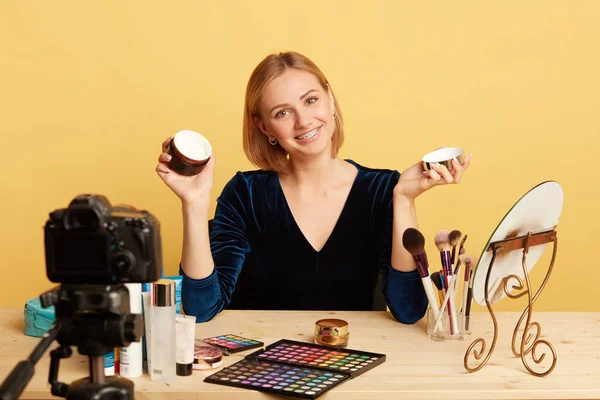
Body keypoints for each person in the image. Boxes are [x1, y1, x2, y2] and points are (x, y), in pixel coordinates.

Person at [155, 51, 471, 323]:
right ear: (264, 127)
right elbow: (201, 309)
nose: (303, 120)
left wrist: (403, 199)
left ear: (330, 100)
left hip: (353, 366)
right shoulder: (245, 194)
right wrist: (194, 205)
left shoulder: (383, 189)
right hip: (262, 371)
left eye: (311, 100)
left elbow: (408, 310)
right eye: (282, 112)